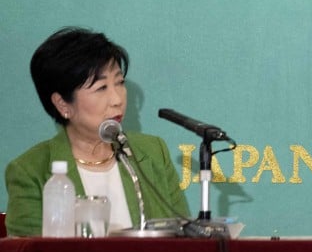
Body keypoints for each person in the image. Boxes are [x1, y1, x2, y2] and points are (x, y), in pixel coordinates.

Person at [5, 27, 189, 236]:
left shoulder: (153, 151)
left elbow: (182, 240)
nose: (117, 100)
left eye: (119, 83)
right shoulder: (30, 171)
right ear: (62, 104)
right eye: (101, 88)